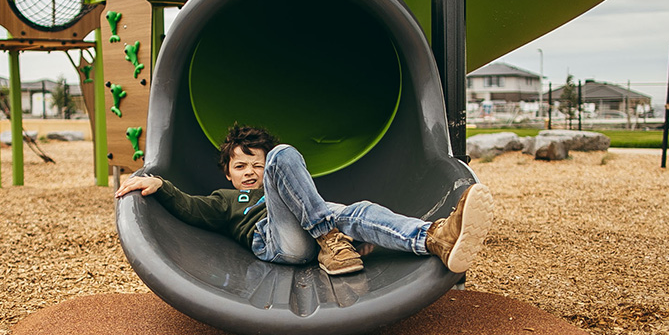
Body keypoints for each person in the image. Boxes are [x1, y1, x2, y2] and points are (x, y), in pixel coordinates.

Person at [115, 123, 493, 276]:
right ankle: (333, 241)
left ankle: (435, 238)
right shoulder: (226, 199)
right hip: (279, 241)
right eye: (240, 165)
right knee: (291, 160)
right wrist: (161, 186)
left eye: (258, 164)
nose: (249, 171)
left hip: (314, 230)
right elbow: (192, 209)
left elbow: (292, 183)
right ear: (228, 174)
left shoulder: (286, 188)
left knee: (354, 210)